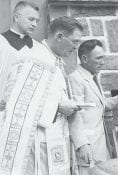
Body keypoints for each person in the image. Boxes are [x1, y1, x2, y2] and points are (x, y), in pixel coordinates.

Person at [0, 16, 83, 175]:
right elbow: (17, 104)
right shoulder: (33, 59)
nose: (76, 47)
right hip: (37, 142)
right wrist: (59, 107)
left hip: (56, 136)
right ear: (59, 36)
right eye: (75, 41)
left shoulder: (56, 62)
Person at [68, 39, 118, 175]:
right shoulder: (75, 78)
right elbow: (75, 114)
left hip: (100, 143)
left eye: (103, 58)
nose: (102, 62)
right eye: (98, 58)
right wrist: (82, 144)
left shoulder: (93, 77)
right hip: (87, 146)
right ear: (85, 58)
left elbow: (97, 105)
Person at [0, 1, 41, 130]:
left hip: (29, 115)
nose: (34, 24)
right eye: (31, 19)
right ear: (17, 17)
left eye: (37, 21)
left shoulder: (38, 48)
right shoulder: (1, 43)